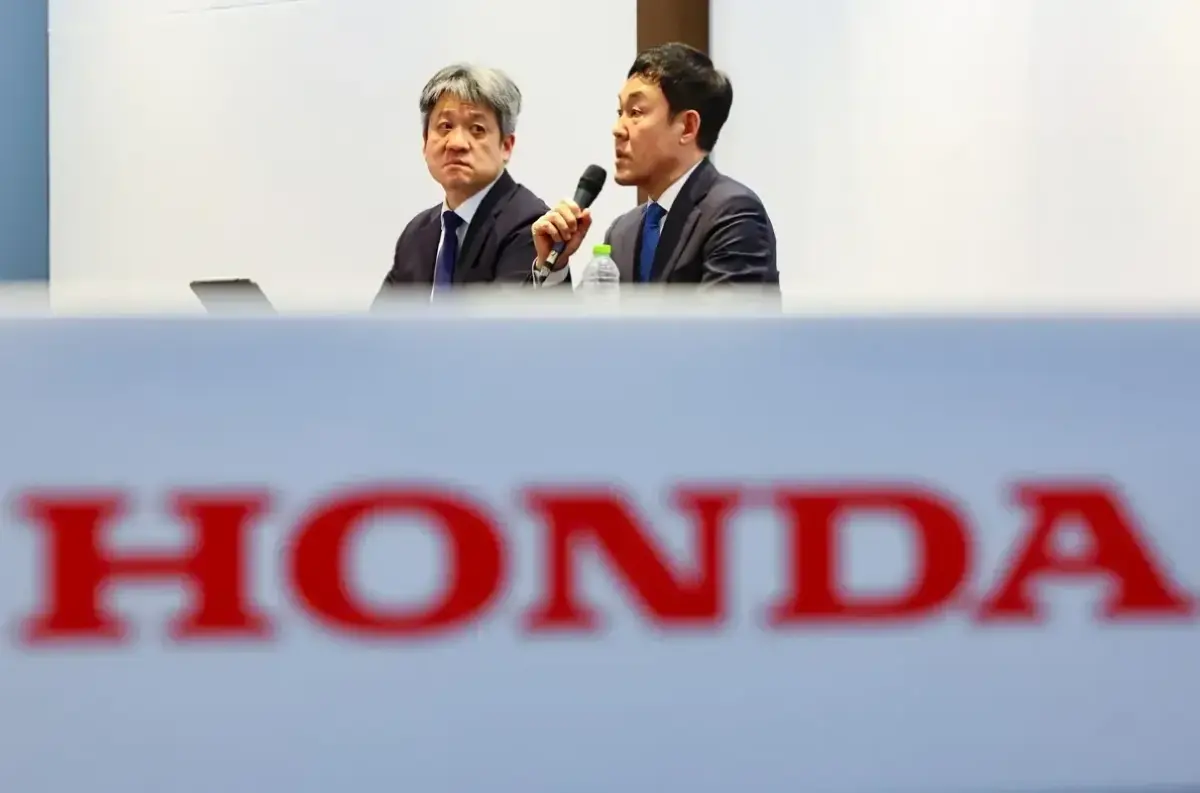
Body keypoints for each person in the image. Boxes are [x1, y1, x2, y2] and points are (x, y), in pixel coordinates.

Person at [531, 43, 779, 290]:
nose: (618, 129)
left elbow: (725, 316)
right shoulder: (622, 233)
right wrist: (556, 266)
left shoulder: (733, 215)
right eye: (620, 112)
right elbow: (590, 317)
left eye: (636, 112)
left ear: (688, 127)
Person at [376, 64, 550, 300]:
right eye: (445, 127)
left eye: (476, 129)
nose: (456, 143)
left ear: (506, 146)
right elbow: (381, 321)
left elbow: (504, 321)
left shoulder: (529, 226)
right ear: (425, 141)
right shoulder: (417, 235)